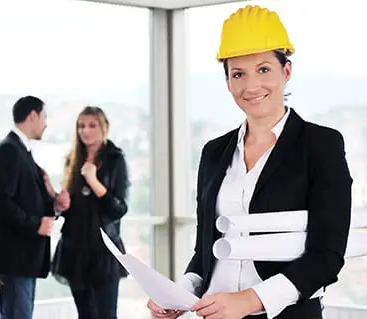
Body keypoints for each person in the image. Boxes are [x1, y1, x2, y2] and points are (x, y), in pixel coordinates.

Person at [147, 5, 352, 319]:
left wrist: (252, 299)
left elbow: (327, 256)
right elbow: (205, 252)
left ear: (286, 72)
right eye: (238, 74)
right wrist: (181, 291)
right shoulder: (214, 152)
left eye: (264, 69)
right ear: (228, 82)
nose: (251, 85)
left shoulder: (320, 145)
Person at [0, 95, 69, 319]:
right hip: (14, 257)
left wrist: (53, 204)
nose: (46, 123)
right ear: (33, 115)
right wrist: (36, 224)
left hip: (21, 258)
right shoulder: (9, 151)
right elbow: (1, 203)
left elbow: (25, 199)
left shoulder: (21, 151)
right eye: (44, 117)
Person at [51, 106, 130, 319]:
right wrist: (60, 205)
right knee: (85, 314)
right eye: (81, 126)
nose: (85, 131)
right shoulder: (72, 160)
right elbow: (68, 210)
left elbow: (118, 209)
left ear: (104, 128)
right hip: (75, 250)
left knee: (105, 314)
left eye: (91, 125)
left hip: (103, 252)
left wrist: (94, 182)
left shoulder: (115, 159)